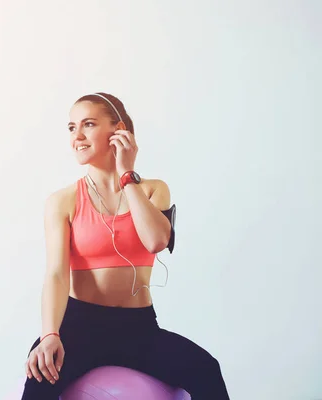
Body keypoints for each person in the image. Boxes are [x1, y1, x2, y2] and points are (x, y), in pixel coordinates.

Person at [21, 92, 230, 399]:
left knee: (206, 370)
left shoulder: (151, 189)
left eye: (88, 124)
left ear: (118, 130)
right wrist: (50, 334)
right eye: (71, 128)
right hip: (78, 327)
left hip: (138, 328)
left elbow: (156, 240)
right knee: (38, 387)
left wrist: (126, 176)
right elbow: (55, 274)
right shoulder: (62, 201)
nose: (77, 136)